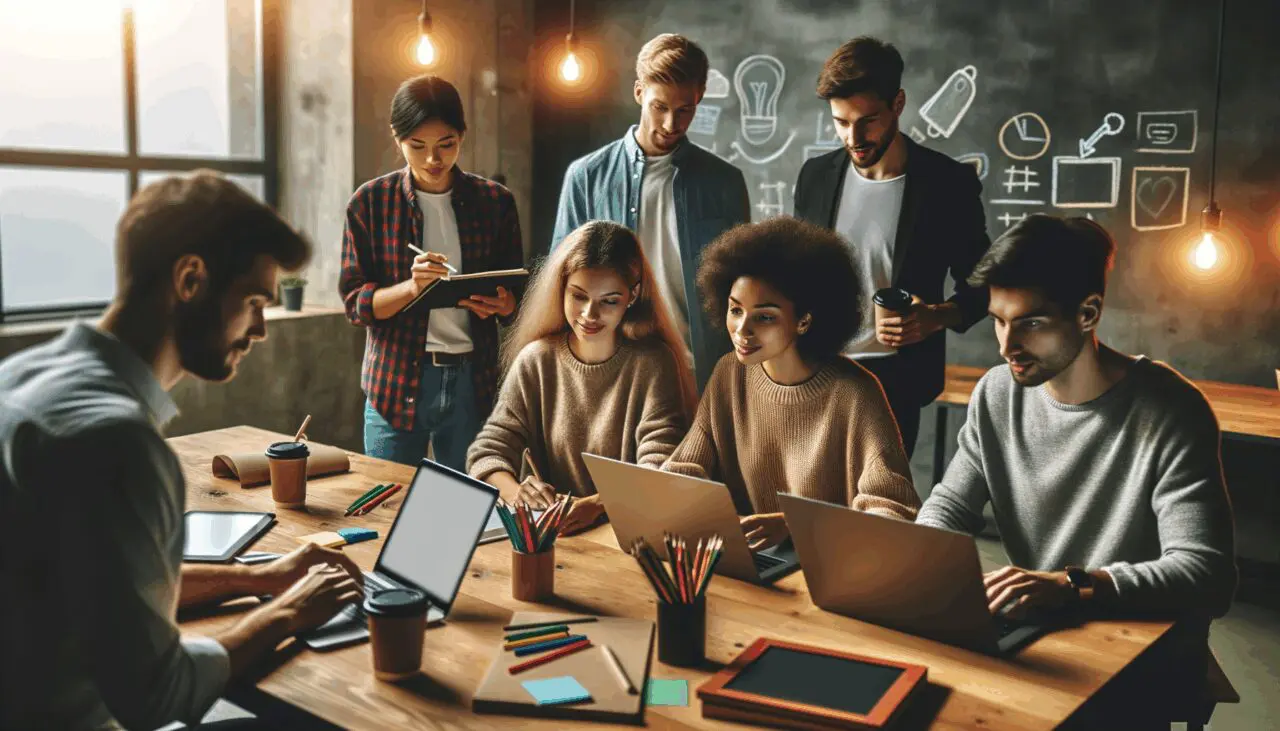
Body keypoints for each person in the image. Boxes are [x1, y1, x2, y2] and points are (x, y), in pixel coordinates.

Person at [0, 172, 365, 730]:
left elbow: (113, 586)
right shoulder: (115, 442)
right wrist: (288, 611)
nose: (261, 329)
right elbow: (155, 696)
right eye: (253, 301)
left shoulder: (21, 378)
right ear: (190, 279)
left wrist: (259, 578)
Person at [915, 214, 1237, 620]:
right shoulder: (997, 392)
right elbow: (951, 506)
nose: (1006, 346)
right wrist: (916, 561)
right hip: (1044, 632)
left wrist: (1073, 587)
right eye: (999, 321)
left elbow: (1207, 576)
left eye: (1031, 323)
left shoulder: (1173, 409)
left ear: (1088, 313)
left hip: (1146, 641)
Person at [664, 217, 920, 552]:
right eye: (735, 310)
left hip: (828, 562)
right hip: (747, 560)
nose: (742, 330)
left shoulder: (856, 394)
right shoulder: (729, 373)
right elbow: (685, 466)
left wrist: (796, 526)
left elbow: (894, 514)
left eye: (764, 317)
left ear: (804, 321)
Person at [793, 36, 991, 457]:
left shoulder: (947, 184)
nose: (853, 137)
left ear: (898, 104)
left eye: (868, 120)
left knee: (879, 496)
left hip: (894, 381)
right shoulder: (815, 176)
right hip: (816, 369)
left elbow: (984, 283)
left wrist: (936, 317)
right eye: (840, 122)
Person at [340, 74, 524, 470]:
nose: (432, 160)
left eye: (446, 144)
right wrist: (411, 288)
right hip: (394, 381)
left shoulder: (495, 202)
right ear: (397, 139)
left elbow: (517, 302)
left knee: (462, 501)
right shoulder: (370, 203)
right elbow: (356, 306)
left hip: (472, 381)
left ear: (463, 135)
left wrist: (504, 304)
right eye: (417, 146)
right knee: (388, 498)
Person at [551, 33, 751, 392]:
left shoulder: (725, 183)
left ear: (699, 98)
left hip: (701, 372)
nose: (672, 124)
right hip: (611, 371)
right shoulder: (586, 177)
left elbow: (743, 288)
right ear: (639, 92)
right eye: (660, 107)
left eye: (685, 110)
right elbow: (560, 283)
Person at [467, 221, 695, 535]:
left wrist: (598, 505)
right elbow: (487, 452)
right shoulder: (536, 359)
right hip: (551, 533)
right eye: (578, 296)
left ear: (632, 295)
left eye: (609, 301)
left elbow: (658, 468)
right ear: (561, 287)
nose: (589, 314)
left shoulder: (653, 363)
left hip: (624, 534)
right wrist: (517, 493)